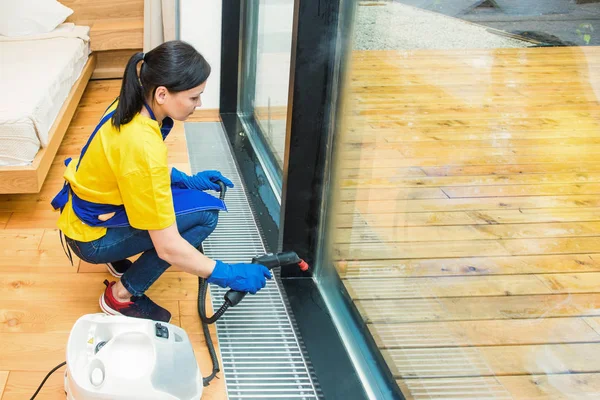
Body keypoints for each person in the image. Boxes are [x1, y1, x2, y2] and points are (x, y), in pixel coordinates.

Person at [51, 40, 271, 323]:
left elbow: (132, 171)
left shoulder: (129, 104)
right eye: (194, 97)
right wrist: (228, 274)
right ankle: (120, 296)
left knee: (185, 198)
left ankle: (117, 259)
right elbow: (167, 247)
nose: (199, 104)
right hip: (91, 240)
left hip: (83, 216)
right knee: (205, 214)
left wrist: (186, 181)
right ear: (163, 94)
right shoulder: (141, 143)